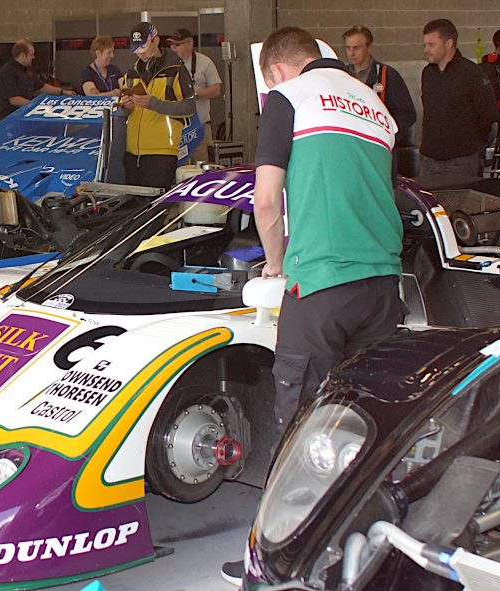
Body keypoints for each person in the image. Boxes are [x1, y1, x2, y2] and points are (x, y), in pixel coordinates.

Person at [219, 26, 404, 585]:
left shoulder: (288, 97)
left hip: (321, 283)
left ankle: (273, 563)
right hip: (382, 286)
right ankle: (361, 549)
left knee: (300, 426)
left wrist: (275, 264)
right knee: (367, 422)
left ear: (276, 70)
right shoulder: (376, 103)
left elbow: (267, 198)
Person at [118, 22, 195, 189]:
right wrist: (126, 107)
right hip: (132, 153)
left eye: (144, 48)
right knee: (132, 209)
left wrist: (153, 104)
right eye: (136, 49)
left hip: (161, 152)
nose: (141, 54)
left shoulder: (176, 69)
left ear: (156, 40)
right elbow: (121, 110)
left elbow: (189, 108)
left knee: (154, 210)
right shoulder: (131, 73)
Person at [420, 19, 499, 176]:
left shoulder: (472, 74)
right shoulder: (427, 74)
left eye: (431, 44)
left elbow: (488, 116)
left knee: (458, 201)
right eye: (425, 44)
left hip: (460, 162)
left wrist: (474, 148)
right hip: (428, 161)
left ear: (448, 44)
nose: (426, 49)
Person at [343, 25, 416, 148]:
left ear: (369, 47)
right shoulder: (341, 75)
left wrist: (389, 136)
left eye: (356, 48)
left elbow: (407, 114)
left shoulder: (387, 75)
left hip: (380, 146)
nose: (351, 53)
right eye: (348, 48)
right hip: (349, 146)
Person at [167, 28, 222, 162]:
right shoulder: (167, 64)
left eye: (177, 45)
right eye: (171, 45)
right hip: (176, 125)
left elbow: (216, 89)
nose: (173, 48)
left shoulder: (205, 62)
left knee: (201, 162)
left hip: (200, 123)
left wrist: (194, 95)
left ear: (189, 44)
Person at [0, 39, 75, 120]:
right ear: (23, 55)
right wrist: (37, 106)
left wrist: (62, 92)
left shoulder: (28, 69)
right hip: (10, 118)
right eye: (31, 55)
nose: (33, 57)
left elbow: (40, 86)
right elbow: (14, 99)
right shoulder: (7, 71)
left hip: (26, 114)